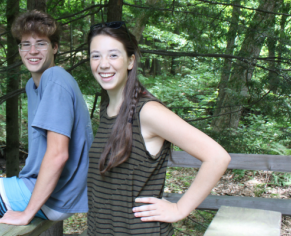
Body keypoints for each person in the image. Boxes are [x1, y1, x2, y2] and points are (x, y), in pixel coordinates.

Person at [0, 10, 93, 235]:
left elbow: (58, 154)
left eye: (41, 44)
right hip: (50, 190)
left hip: (56, 195)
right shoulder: (33, 86)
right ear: (19, 49)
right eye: (26, 44)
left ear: (55, 47)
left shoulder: (55, 78)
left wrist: (27, 213)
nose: (32, 51)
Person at [86, 21, 231, 235]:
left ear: (130, 61)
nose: (103, 64)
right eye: (96, 55)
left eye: (113, 55)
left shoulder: (148, 112)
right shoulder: (108, 110)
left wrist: (179, 208)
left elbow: (218, 157)